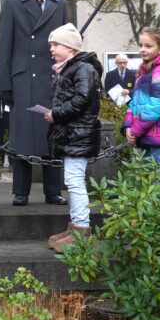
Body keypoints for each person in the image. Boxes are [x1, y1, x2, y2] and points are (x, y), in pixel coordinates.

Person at [0, 0, 68, 206]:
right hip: (23, 79)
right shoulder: (13, 3)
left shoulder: (59, 4)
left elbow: (67, 42)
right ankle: (20, 191)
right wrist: (5, 83)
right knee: (23, 137)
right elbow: (4, 46)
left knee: (52, 133)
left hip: (52, 77)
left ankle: (53, 191)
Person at [43, 24, 102, 251]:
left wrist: (56, 113)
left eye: (56, 44)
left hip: (79, 133)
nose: (52, 49)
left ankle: (81, 229)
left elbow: (82, 99)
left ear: (70, 47)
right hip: (73, 133)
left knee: (75, 181)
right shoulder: (70, 68)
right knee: (72, 181)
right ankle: (75, 227)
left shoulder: (83, 68)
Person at [124, 27, 160, 164]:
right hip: (145, 135)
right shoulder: (145, 71)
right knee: (145, 176)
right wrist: (128, 126)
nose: (142, 49)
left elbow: (158, 105)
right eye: (140, 45)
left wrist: (135, 130)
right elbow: (134, 102)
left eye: (148, 46)